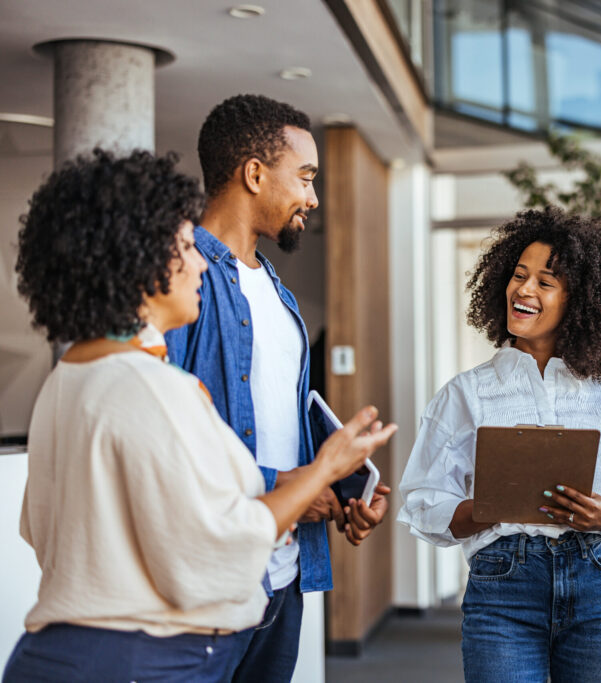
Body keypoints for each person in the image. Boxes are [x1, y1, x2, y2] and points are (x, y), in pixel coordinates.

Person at [2, 150, 395, 682]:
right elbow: (222, 544)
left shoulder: (65, 381)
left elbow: (39, 527)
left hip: (52, 656)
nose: (203, 264)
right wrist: (325, 468)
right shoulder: (154, 388)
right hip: (142, 661)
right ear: (139, 261)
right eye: (186, 247)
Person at [398, 208, 601, 683]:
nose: (523, 290)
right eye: (518, 276)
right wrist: (487, 508)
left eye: (545, 282)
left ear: (580, 301)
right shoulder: (466, 393)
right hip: (503, 587)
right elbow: (423, 501)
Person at [165, 94, 391, 681]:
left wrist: (341, 489)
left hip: (284, 575)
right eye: (306, 177)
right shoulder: (180, 282)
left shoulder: (279, 293)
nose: (313, 197)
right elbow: (167, 444)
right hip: (213, 583)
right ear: (254, 173)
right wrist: (290, 486)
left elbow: (281, 415)